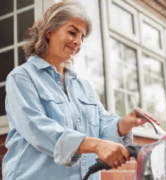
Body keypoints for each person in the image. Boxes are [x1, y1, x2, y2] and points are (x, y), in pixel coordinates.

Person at [2, 1, 151, 180]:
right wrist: (95, 145)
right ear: (49, 31)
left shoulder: (83, 86)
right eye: (72, 32)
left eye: (82, 37)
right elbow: (38, 130)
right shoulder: (22, 78)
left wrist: (124, 124)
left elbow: (101, 123)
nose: (78, 42)